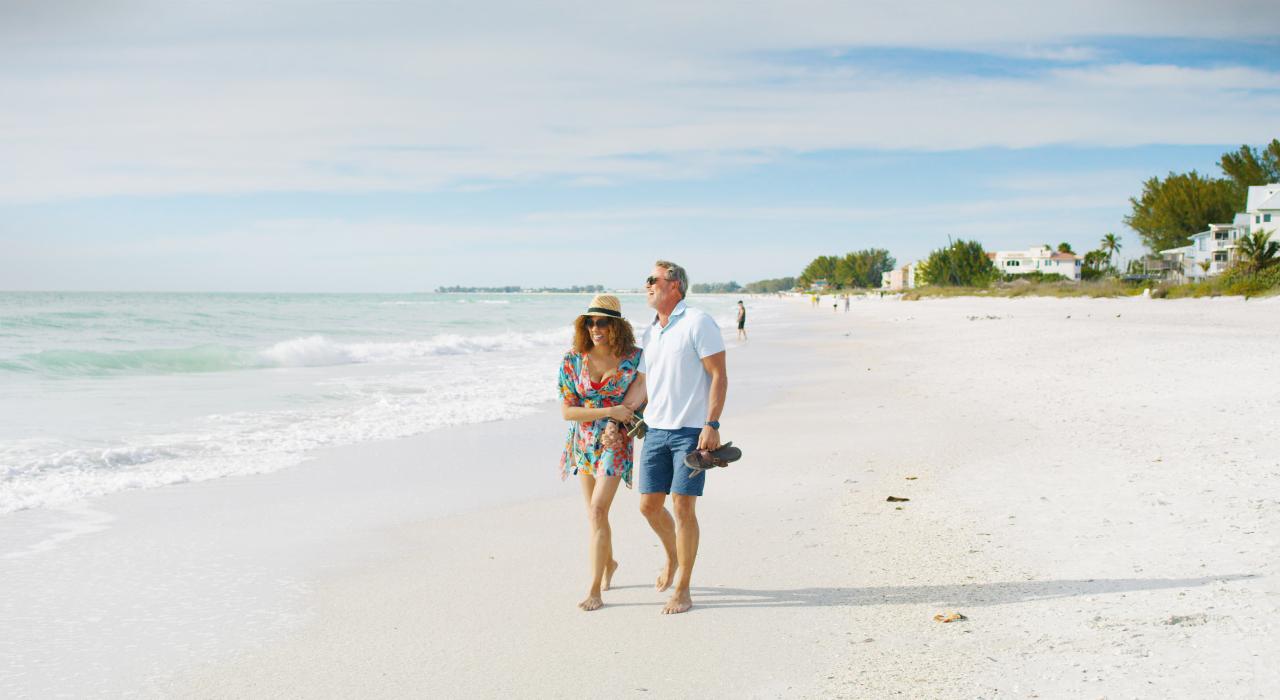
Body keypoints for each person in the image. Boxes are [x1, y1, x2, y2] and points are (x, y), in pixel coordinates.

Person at [631, 260, 728, 615]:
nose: (647, 286)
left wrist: (712, 424)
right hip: (655, 431)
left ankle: (684, 587)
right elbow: (642, 385)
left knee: (683, 507)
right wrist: (617, 417)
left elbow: (718, 375)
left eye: (651, 280)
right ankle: (672, 557)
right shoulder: (650, 332)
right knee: (648, 506)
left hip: (690, 432)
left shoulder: (698, 322)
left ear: (675, 286)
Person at [557, 295, 641, 612]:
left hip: (615, 443)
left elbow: (648, 390)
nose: (595, 328)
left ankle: (594, 590)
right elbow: (567, 412)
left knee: (597, 511)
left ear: (616, 326)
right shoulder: (572, 360)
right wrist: (612, 409)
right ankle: (610, 562)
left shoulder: (634, 359)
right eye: (590, 322)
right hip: (582, 443)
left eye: (602, 322)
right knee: (594, 515)